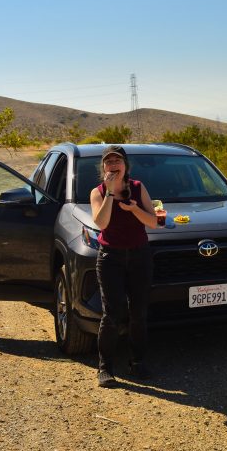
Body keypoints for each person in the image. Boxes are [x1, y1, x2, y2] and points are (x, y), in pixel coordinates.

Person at [89, 145, 157, 387]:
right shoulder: (97, 192)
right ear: (104, 168)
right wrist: (109, 193)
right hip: (110, 258)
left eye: (118, 160)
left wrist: (134, 208)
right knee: (113, 313)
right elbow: (102, 223)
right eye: (109, 162)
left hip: (140, 256)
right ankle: (105, 367)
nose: (113, 164)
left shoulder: (138, 188)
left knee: (139, 313)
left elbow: (154, 222)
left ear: (126, 166)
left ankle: (137, 362)